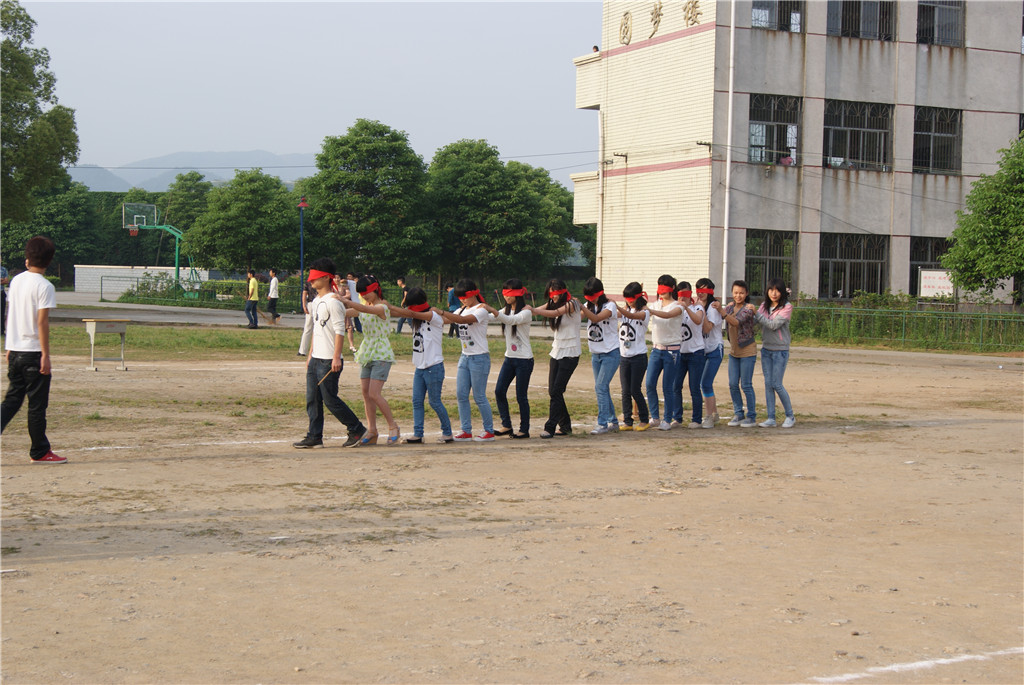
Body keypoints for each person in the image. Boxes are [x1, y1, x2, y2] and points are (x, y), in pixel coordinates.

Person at [1, 237, 64, 463]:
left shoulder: (16, 281)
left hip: (15, 350)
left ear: (27, 259)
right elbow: (42, 323)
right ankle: (39, 451)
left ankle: (39, 449)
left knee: (12, 401)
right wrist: (45, 354)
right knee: (37, 405)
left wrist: (9, 346)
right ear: (48, 261)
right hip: (33, 352)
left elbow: (11, 314)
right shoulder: (45, 286)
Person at [294, 258, 367, 449]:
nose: (311, 282)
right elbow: (316, 330)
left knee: (330, 399)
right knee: (313, 399)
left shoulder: (333, 302)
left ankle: (357, 429)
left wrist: (336, 357)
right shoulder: (316, 301)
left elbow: (339, 330)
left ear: (326, 278)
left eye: (315, 278)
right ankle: (314, 436)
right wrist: (310, 353)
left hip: (328, 360)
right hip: (316, 358)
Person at [387, 287, 454, 444]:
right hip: (420, 366)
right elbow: (405, 313)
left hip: (434, 366)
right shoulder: (414, 318)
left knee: (434, 401)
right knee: (417, 401)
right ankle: (418, 433)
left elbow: (410, 313)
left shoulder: (433, 315)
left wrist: (389, 306)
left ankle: (448, 432)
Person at [341, 275, 401, 445]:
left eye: (366, 292)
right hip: (367, 351)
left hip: (381, 353)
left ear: (375, 288)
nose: (365, 295)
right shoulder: (364, 306)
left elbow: (365, 310)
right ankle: (372, 430)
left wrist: (347, 301)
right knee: (366, 394)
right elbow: (352, 311)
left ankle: (393, 426)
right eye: (361, 293)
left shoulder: (382, 307)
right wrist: (333, 308)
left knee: (374, 393)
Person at [441, 279, 496, 441]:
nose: (462, 300)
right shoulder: (461, 309)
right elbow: (448, 320)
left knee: (479, 396)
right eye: (460, 297)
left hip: (479, 357)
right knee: (461, 394)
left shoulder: (481, 310)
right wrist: (426, 314)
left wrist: (442, 312)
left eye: (465, 296)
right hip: (465, 356)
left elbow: (463, 320)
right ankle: (466, 430)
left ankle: (489, 431)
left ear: (474, 294)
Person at [480, 278, 534, 439]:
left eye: (509, 292)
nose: (506, 296)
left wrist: (492, 310)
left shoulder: (526, 311)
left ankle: (524, 430)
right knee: (499, 391)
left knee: (521, 396)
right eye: (504, 292)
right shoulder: (505, 310)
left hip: (524, 360)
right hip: (509, 358)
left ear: (518, 293)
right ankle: (506, 425)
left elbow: (511, 320)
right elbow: (491, 317)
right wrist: (478, 311)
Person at [532, 279, 581, 439]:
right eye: (550, 294)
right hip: (557, 351)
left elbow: (554, 314)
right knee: (553, 391)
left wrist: (534, 310)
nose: (552, 298)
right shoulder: (552, 303)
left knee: (557, 390)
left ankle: (550, 427)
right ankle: (565, 426)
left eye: (555, 294)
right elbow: (535, 311)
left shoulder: (572, 303)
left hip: (571, 352)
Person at [580, 277, 620, 434]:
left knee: (600, 387)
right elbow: (578, 316)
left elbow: (596, 318)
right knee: (602, 388)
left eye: (592, 296)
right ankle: (613, 421)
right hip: (596, 354)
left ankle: (602, 423)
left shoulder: (610, 306)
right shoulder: (588, 306)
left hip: (610, 353)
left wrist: (582, 308)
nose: (590, 299)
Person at [645, 275, 684, 430]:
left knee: (667, 386)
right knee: (649, 383)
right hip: (656, 349)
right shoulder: (655, 304)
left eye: (665, 286)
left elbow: (668, 315)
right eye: (659, 286)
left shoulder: (678, 306)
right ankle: (654, 417)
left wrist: (651, 310)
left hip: (671, 351)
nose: (661, 290)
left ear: (672, 288)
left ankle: (667, 419)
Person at [756, 277, 795, 428]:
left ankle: (790, 416)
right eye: (771, 290)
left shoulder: (787, 307)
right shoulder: (764, 306)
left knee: (777, 384)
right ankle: (771, 418)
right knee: (768, 384)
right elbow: (755, 321)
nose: (774, 293)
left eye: (777, 290)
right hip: (767, 350)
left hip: (780, 351)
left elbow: (773, 325)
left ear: (782, 292)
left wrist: (757, 314)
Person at [615, 282, 651, 431]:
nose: (629, 300)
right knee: (625, 390)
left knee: (635, 389)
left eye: (631, 297)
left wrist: (615, 306)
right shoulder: (625, 309)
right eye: (626, 298)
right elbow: (616, 315)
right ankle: (628, 421)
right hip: (624, 356)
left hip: (638, 356)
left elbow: (631, 315)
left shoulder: (645, 311)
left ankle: (644, 419)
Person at [723, 279, 758, 427]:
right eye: (736, 293)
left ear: (746, 293)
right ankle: (738, 413)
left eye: (741, 293)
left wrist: (722, 311)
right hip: (734, 351)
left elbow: (736, 322)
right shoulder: (730, 308)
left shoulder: (748, 309)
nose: (738, 296)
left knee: (746, 385)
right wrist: (724, 310)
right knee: (732, 384)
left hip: (747, 350)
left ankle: (751, 416)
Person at [673, 280, 705, 428]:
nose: (683, 298)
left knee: (694, 387)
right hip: (680, 352)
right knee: (675, 385)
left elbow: (698, 320)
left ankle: (696, 419)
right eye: (680, 294)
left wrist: (686, 307)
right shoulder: (675, 308)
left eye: (685, 294)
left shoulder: (697, 307)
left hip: (695, 353)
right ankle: (677, 418)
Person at [695, 278, 723, 428]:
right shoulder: (696, 306)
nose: (701, 293)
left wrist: (702, 311)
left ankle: (708, 417)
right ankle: (715, 414)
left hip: (714, 349)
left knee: (705, 383)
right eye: (698, 289)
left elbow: (706, 329)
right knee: (704, 383)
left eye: (705, 290)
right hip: (702, 350)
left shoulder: (713, 307)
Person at [1, 264, 9, 337]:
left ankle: (1, 330)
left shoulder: (3, 269)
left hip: (1, 293)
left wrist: (3, 280)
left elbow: (6, 281)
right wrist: (1, 279)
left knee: (2, 312)